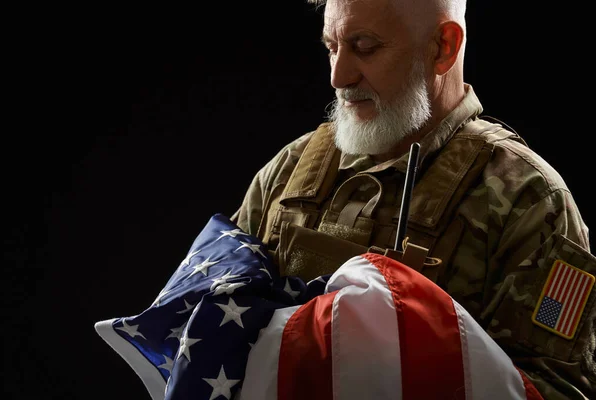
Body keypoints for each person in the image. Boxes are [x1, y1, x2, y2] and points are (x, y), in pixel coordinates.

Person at [230, 0, 595, 398]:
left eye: (365, 46)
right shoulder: (291, 169)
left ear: (443, 47)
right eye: (332, 47)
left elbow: (554, 388)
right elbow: (215, 328)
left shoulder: (530, 199)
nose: (339, 76)